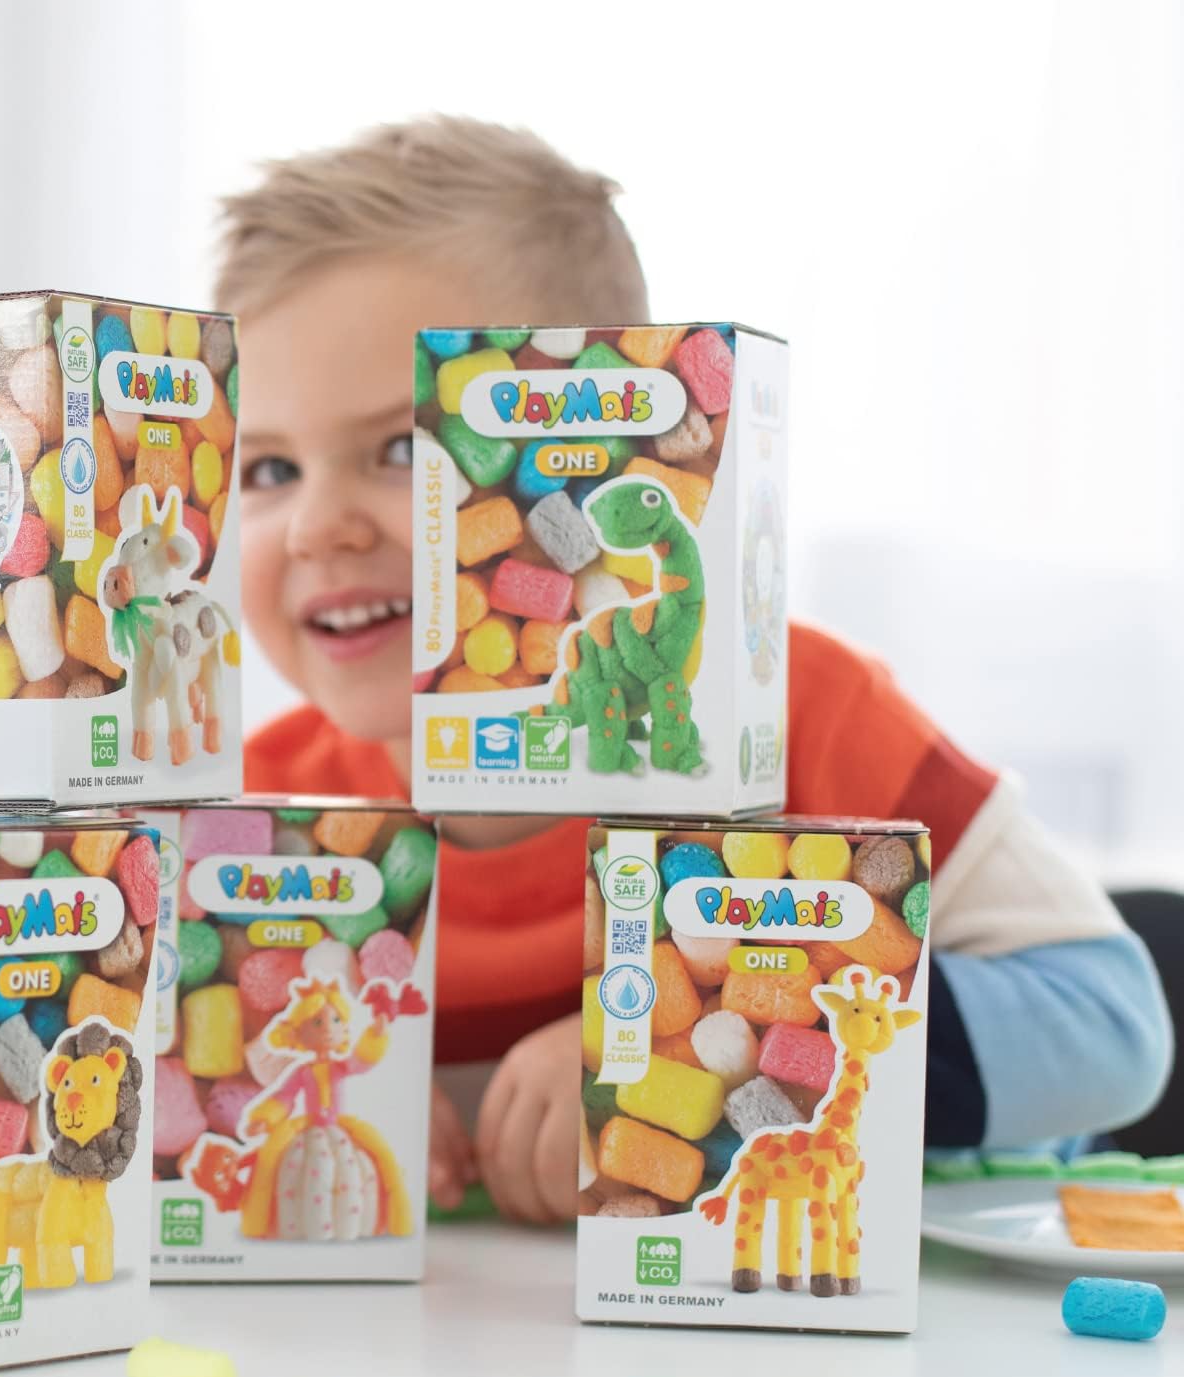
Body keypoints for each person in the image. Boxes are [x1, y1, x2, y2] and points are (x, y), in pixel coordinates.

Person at [221, 116, 1173, 1223]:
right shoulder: (257, 819)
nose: (315, 527)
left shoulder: (809, 712)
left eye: (401, 449)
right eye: (270, 468)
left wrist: (685, 1053)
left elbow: (1114, 1030)